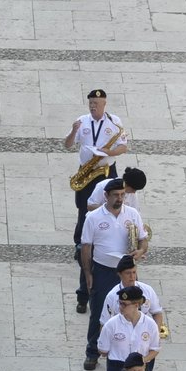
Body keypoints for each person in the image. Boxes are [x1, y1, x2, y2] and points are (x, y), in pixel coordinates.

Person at [64, 89, 128, 312]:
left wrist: (107, 150)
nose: (93, 106)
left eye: (97, 103)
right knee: (84, 209)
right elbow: (68, 145)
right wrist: (73, 132)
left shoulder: (114, 122)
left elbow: (123, 147)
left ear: (104, 104)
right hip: (87, 171)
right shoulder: (82, 121)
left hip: (106, 170)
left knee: (109, 207)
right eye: (91, 103)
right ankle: (80, 241)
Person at [81, 180, 149, 369]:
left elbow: (143, 240)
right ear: (106, 196)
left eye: (122, 195)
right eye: (116, 195)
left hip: (127, 269)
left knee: (131, 308)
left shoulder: (133, 214)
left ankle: (127, 351)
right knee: (98, 311)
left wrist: (141, 251)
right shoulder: (93, 217)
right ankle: (92, 351)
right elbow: (86, 247)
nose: (120, 199)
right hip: (103, 269)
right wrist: (88, 274)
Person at [96, 256, 167, 343]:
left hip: (144, 338)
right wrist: (104, 344)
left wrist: (154, 335)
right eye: (128, 273)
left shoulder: (147, 290)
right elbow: (104, 324)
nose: (132, 276)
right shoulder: (112, 296)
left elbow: (157, 313)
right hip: (121, 339)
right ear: (119, 274)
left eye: (134, 272)